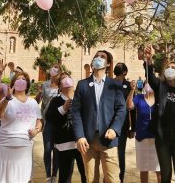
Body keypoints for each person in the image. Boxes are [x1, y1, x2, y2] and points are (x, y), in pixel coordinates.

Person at [71, 50, 127, 183]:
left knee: (113, 179)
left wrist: (114, 128)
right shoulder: (82, 85)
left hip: (108, 139)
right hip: (88, 141)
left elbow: (121, 109)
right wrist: (79, 136)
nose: (98, 58)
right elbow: (76, 111)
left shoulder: (115, 85)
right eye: (96, 56)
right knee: (91, 179)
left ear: (108, 64)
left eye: (102, 57)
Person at [142, 47, 175, 183]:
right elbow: (150, 76)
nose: (170, 69)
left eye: (173, 68)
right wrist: (149, 60)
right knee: (166, 173)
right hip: (163, 138)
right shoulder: (160, 87)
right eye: (168, 67)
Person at [0, 69, 43, 183]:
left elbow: (39, 120)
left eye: (23, 79)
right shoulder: (7, 100)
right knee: (4, 177)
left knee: (22, 177)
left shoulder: (33, 102)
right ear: (13, 83)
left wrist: (37, 129)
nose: (21, 80)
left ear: (27, 84)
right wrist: (7, 99)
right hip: (6, 144)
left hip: (25, 145)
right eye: (18, 79)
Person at [46, 74, 84, 183]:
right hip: (64, 144)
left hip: (82, 143)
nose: (66, 80)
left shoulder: (81, 98)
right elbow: (50, 118)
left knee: (86, 175)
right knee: (65, 177)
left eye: (68, 78)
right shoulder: (55, 100)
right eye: (63, 79)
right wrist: (63, 108)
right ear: (60, 86)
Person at [128, 77, 161, 183]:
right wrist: (132, 90)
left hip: (157, 140)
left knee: (159, 170)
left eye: (150, 83)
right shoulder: (139, 97)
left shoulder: (159, 98)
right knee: (143, 169)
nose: (148, 85)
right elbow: (129, 106)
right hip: (141, 139)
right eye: (146, 83)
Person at [36, 64, 63, 183]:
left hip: (59, 122)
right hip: (47, 122)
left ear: (60, 71)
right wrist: (39, 93)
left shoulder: (62, 85)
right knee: (47, 149)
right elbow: (37, 101)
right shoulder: (45, 85)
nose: (54, 69)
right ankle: (48, 176)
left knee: (56, 149)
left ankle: (54, 175)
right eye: (52, 67)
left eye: (56, 67)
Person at [113, 62, 133, 183]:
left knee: (120, 153)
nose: (117, 68)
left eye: (120, 67)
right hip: (109, 124)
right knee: (109, 153)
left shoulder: (129, 86)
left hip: (123, 124)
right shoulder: (109, 83)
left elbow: (132, 108)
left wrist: (133, 128)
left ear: (124, 72)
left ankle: (120, 178)